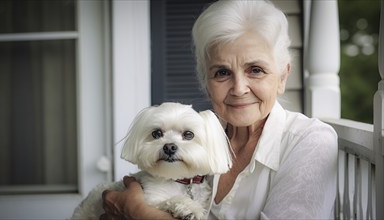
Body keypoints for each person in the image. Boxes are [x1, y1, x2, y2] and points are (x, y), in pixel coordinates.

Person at [100, 0, 338, 219]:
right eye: (222, 73)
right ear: (206, 81)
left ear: (283, 77)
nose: (239, 88)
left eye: (255, 70)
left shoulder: (311, 140)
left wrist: (138, 211)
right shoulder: (200, 134)